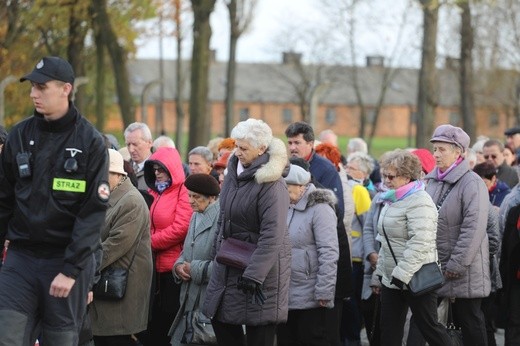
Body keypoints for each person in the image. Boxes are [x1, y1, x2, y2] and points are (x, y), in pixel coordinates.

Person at [0, 56, 109, 345]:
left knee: (60, 340)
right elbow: (3, 201)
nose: (33, 94)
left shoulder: (90, 142)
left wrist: (71, 269)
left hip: (64, 262)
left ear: (66, 89)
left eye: (41, 87)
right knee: (7, 336)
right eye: (32, 87)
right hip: (21, 259)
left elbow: (92, 213)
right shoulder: (19, 136)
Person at [203, 118, 291, 346]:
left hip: (258, 275)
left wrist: (254, 274)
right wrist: (216, 253)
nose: (237, 152)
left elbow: (274, 234)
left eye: (244, 148)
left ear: (262, 149)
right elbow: (223, 219)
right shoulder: (233, 173)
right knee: (221, 325)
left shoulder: (272, 184)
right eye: (236, 146)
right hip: (229, 265)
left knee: (257, 336)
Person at [374, 149, 451, 346]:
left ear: (407, 176)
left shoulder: (420, 201)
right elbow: (385, 240)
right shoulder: (392, 199)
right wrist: (381, 273)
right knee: (388, 330)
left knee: (429, 328)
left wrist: (401, 274)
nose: (386, 180)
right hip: (393, 278)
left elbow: (420, 242)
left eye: (391, 176)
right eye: (384, 175)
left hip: (417, 275)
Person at [285, 121, 350, 345]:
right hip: (293, 285)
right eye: (290, 142)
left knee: (320, 334)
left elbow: (335, 221)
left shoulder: (325, 172)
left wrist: (325, 288)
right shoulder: (287, 178)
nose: (292, 147)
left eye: (297, 142)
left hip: (315, 281)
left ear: (311, 144)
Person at [425, 124, 490, 345]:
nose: (436, 154)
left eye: (442, 149)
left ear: (458, 151)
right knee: (427, 321)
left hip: (464, 270)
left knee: (470, 322)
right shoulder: (431, 181)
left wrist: (456, 264)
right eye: (435, 149)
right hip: (436, 266)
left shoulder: (472, 183)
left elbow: (474, 228)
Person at [90, 149, 153, 346]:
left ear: (119, 175)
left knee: (116, 338)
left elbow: (115, 246)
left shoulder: (131, 201)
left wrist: (82, 267)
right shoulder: (105, 196)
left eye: (103, 173)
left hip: (121, 289)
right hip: (107, 285)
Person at [277, 164, 339, 345]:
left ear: (301, 186)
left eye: (287, 187)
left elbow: (329, 251)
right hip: (284, 293)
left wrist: (325, 290)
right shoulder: (284, 205)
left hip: (310, 293)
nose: (283, 192)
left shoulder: (320, 208)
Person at [142, 147, 192, 345]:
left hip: (172, 270)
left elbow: (181, 227)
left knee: (169, 322)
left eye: (161, 169)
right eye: (154, 169)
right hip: (152, 268)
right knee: (152, 323)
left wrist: (149, 242)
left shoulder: (183, 191)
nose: (157, 173)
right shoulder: (153, 192)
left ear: (172, 168)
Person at [169, 173, 221, 346]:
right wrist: (178, 267)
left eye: (196, 197)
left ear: (211, 197)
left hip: (207, 302)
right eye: (189, 195)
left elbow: (222, 265)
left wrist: (194, 269)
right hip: (189, 300)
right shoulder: (195, 215)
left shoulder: (221, 218)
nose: (190, 200)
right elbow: (186, 251)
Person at [124, 122, 153, 190]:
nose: (131, 150)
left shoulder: (158, 171)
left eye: (135, 144)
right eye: (128, 145)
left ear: (149, 143)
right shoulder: (123, 169)